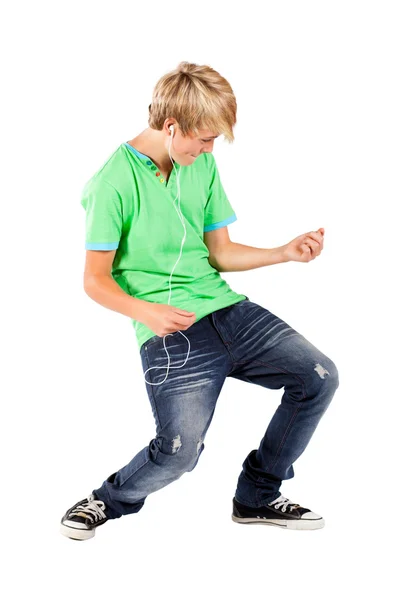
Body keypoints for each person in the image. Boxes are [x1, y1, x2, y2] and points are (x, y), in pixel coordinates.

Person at [60, 61, 339, 541]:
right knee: (179, 452)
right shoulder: (110, 184)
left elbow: (220, 252)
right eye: (205, 139)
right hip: (169, 329)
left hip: (225, 309)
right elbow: (95, 280)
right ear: (172, 127)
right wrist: (148, 312)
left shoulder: (201, 164)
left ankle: (257, 497)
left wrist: (282, 253)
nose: (211, 149)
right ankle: (107, 500)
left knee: (318, 376)